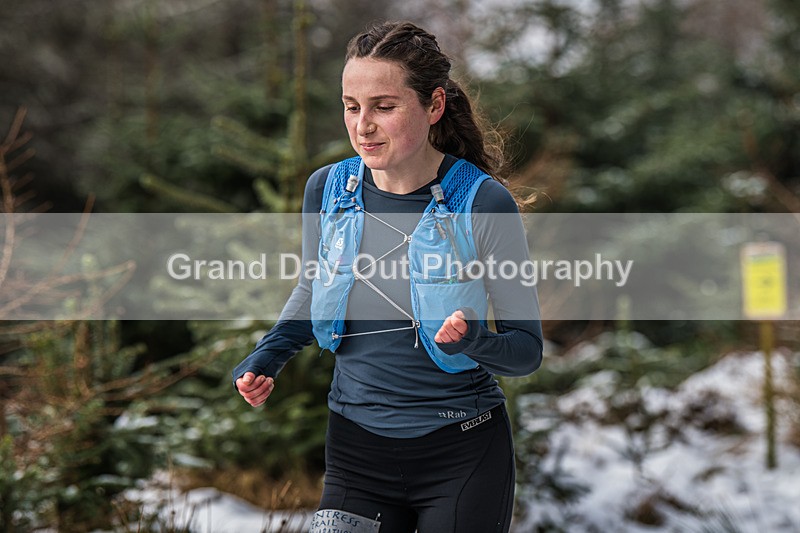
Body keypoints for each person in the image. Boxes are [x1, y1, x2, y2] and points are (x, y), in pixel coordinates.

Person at [233, 20, 543, 533]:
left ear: (434, 105)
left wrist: (473, 340)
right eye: (352, 106)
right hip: (355, 453)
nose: (363, 126)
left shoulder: (483, 202)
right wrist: (269, 354)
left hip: (462, 454)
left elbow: (526, 351)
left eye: (383, 106)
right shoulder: (327, 189)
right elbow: (313, 287)